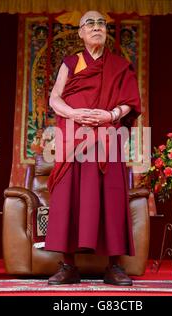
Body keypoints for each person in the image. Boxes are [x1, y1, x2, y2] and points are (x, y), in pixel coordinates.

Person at [44, 10, 141, 286]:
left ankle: (114, 266)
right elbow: (55, 99)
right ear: (80, 32)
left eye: (101, 23)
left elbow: (131, 103)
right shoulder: (71, 63)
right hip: (73, 138)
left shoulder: (120, 65)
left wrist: (109, 116)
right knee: (69, 195)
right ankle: (68, 266)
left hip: (107, 138)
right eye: (90, 23)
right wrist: (74, 115)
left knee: (110, 197)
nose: (97, 27)